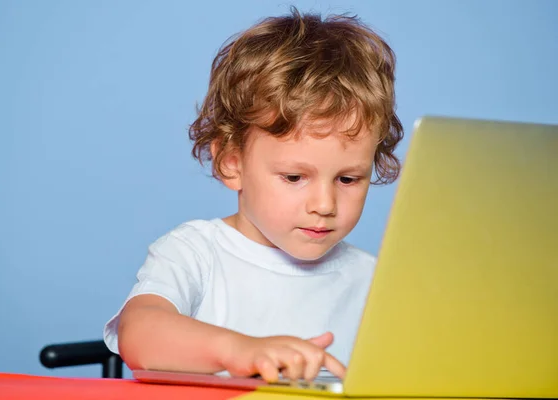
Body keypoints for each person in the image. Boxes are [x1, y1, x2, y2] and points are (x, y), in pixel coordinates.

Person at [104, 7, 403, 383]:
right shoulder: (197, 253)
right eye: (295, 177)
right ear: (232, 164)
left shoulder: (374, 280)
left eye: (348, 179)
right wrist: (241, 350)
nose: (324, 205)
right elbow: (139, 333)